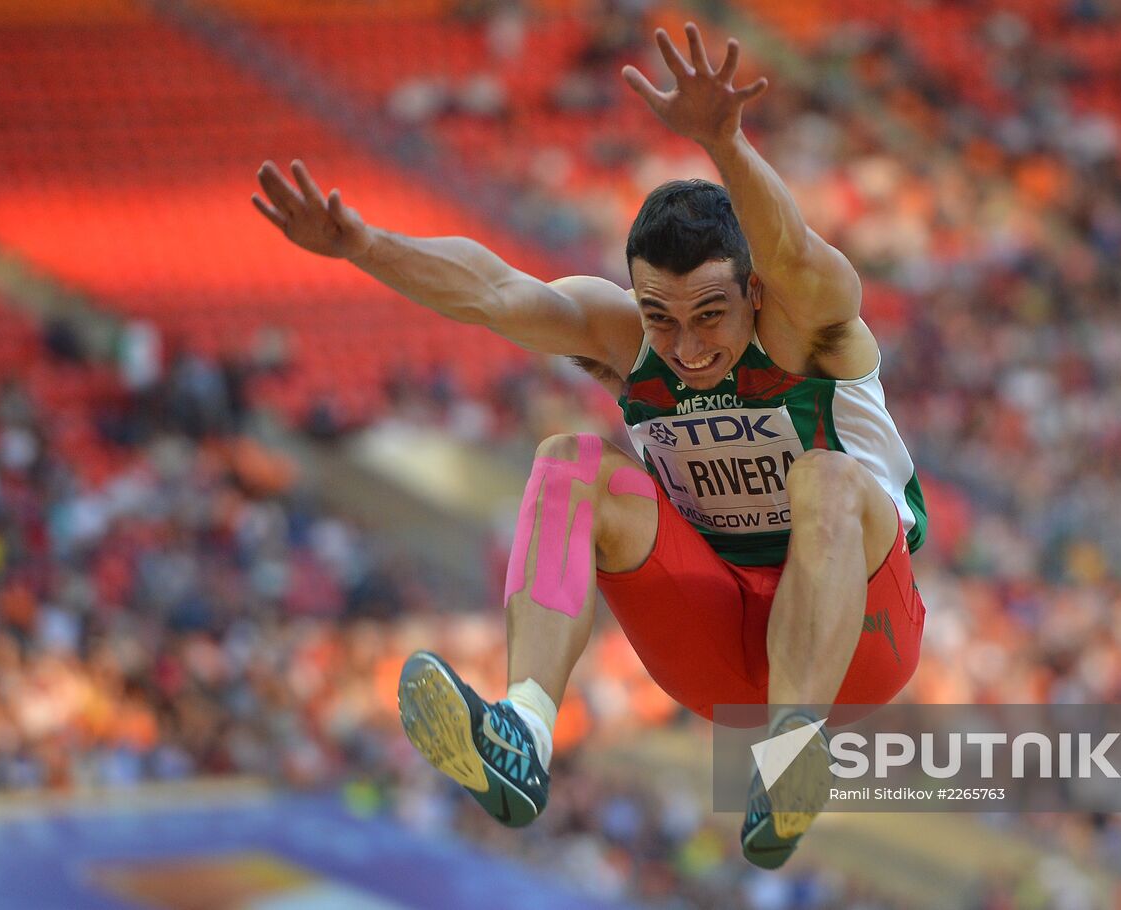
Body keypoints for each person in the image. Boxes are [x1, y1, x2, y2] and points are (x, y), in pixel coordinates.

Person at [252, 22, 928, 869]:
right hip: (716, 647)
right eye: (661, 318)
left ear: (754, 293)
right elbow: (495, 291)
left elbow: (790, 249)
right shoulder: (626, 342)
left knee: (825, 478)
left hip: (857, 640)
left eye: (711, 316)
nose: (685, 348)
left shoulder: (813, 321)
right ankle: (524, 732)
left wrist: (724, 140)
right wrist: (364, 245)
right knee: (568, 458)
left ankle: (791, 754)